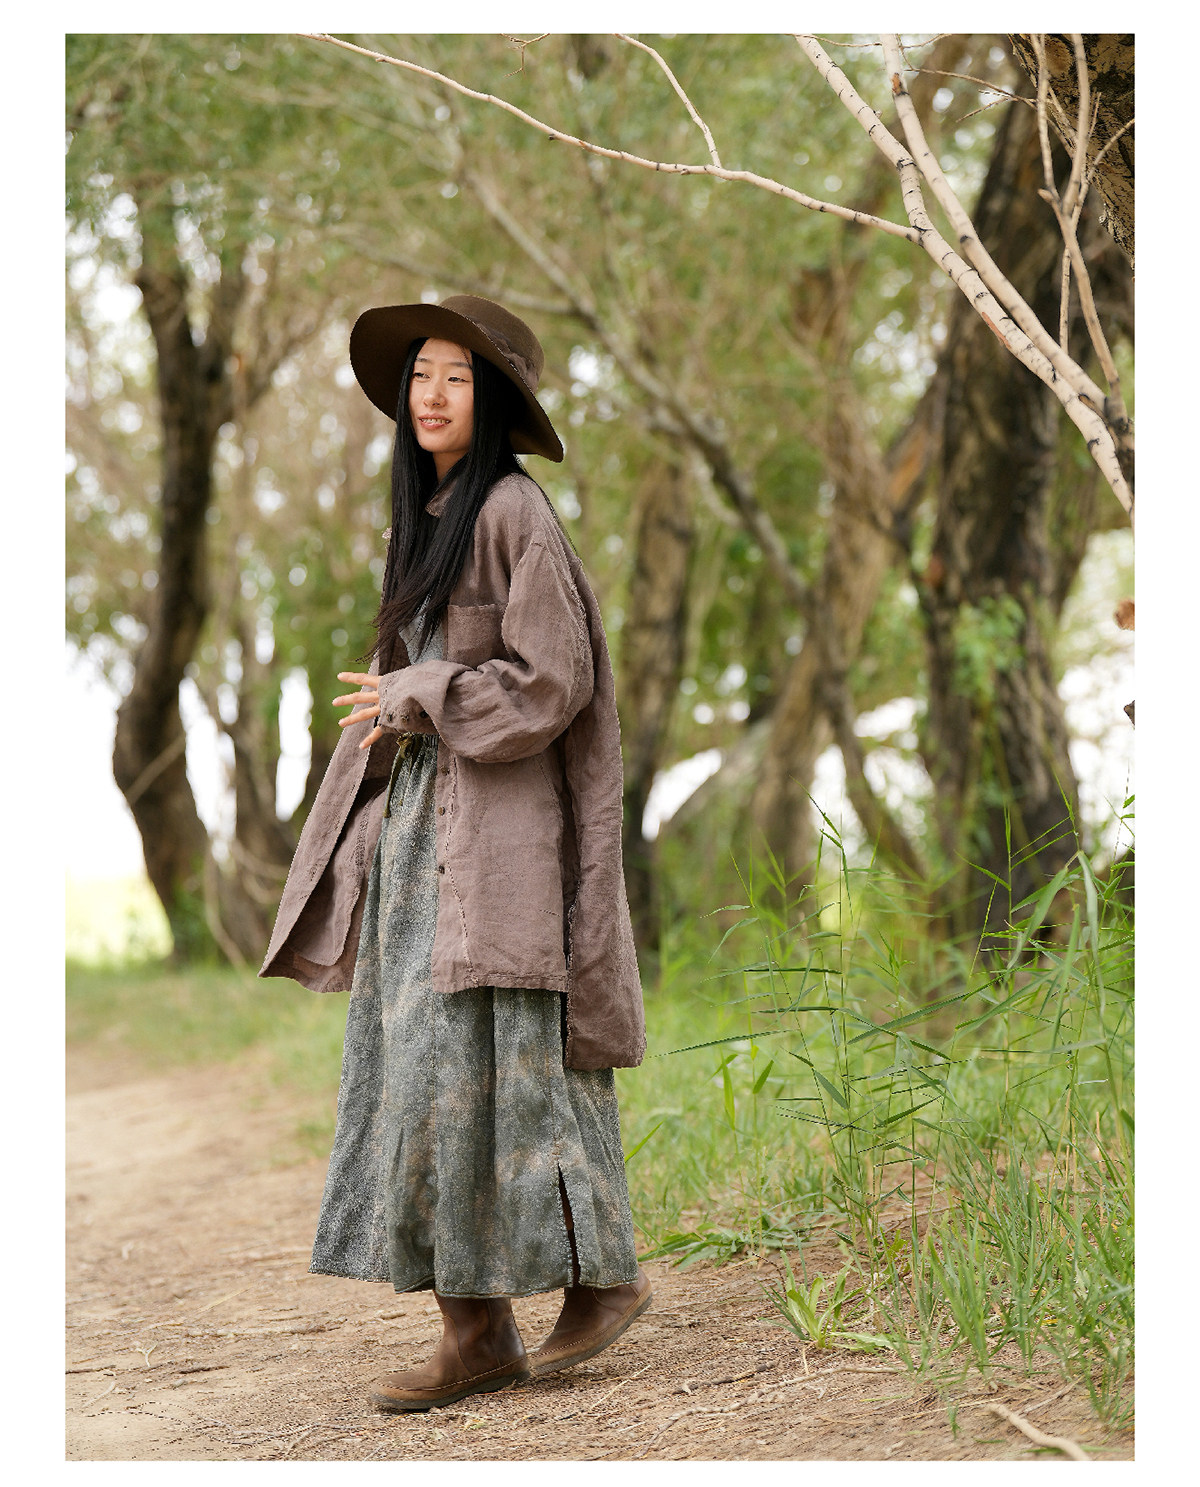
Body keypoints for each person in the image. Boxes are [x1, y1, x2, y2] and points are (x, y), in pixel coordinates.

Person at [259, 295, 652, 1412]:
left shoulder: (515, 510)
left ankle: (603, 1280)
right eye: (422, 374)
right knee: (422, 1076)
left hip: (497, 845)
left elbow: (553, 679)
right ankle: (475, 1330)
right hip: (424, 840)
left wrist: (420, 690)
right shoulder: (428, 517)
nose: (430, 394)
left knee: (517, 1064)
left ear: (495, 401)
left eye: (458, 377)